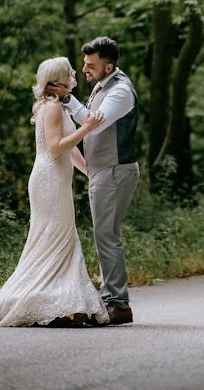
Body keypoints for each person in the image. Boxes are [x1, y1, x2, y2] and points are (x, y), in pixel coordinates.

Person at [0, 57, 109, 327]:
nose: (75, 72)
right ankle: (56, 301)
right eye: (69, 71)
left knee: (58, 238)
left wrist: (89, 172)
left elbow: (70, 150)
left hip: (55, 178)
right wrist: (87, 128)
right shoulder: (52, 108)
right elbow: (56, 148)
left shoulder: (57, 106)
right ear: (57, 80)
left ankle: (62, 300)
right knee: (57, 236)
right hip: (49, 180)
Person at [47, 37, 140, 326]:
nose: (85, 70)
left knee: (106, 236)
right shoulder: (103, 85)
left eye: (91, 66)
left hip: (114, 170)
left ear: (108, 66)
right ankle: (111, 297)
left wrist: (65, 97)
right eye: (84, 64)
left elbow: (92, 121)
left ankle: (118, 304)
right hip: (103, 170)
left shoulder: (121, 91)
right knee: (105, 235)